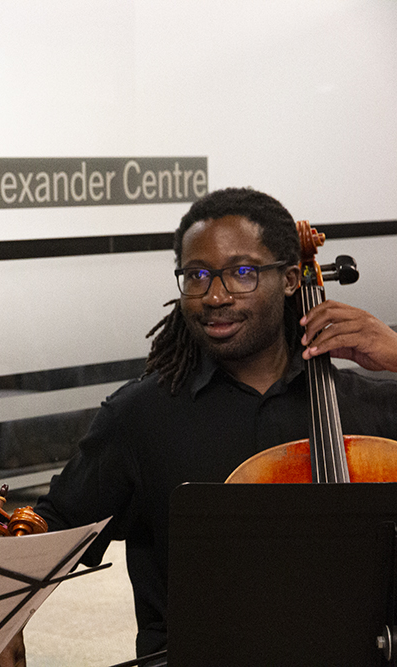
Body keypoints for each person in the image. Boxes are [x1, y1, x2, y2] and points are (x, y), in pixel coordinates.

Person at [34, 186, 397, 659]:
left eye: (242, 273)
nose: (214, 296)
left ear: (291, 279)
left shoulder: (378, 413)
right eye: (197, 275)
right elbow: (51, 532)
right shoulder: (141, 417)